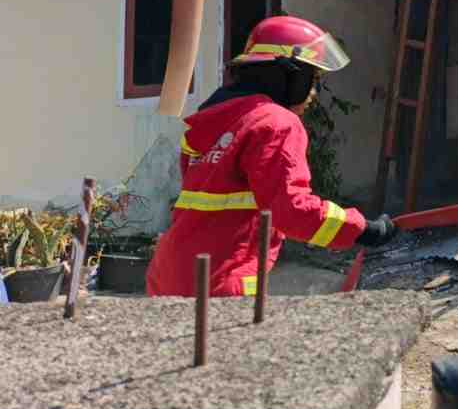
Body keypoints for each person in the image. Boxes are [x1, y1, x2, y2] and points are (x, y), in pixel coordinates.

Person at [146, 15, 396, 298]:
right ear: (289, 76)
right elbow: (292, 211)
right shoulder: (275, 122)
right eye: (311, 79)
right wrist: (364, 230)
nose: (313, 93)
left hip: (169, 274)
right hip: (219, 280)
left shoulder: (210, 121)